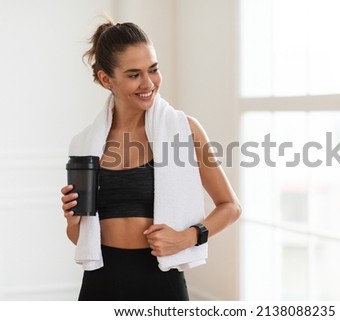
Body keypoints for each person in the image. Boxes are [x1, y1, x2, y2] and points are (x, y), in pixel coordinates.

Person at [60, 20, 241, 301]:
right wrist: (73, 221)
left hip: (160, 280)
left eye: (153, 70)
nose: (149, 83)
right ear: (106, 79)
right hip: (100, 281)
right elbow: (79, 238)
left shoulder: (185, 129)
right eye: (134, 75)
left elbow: (230, 207)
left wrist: (189, 237)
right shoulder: (85, 143)